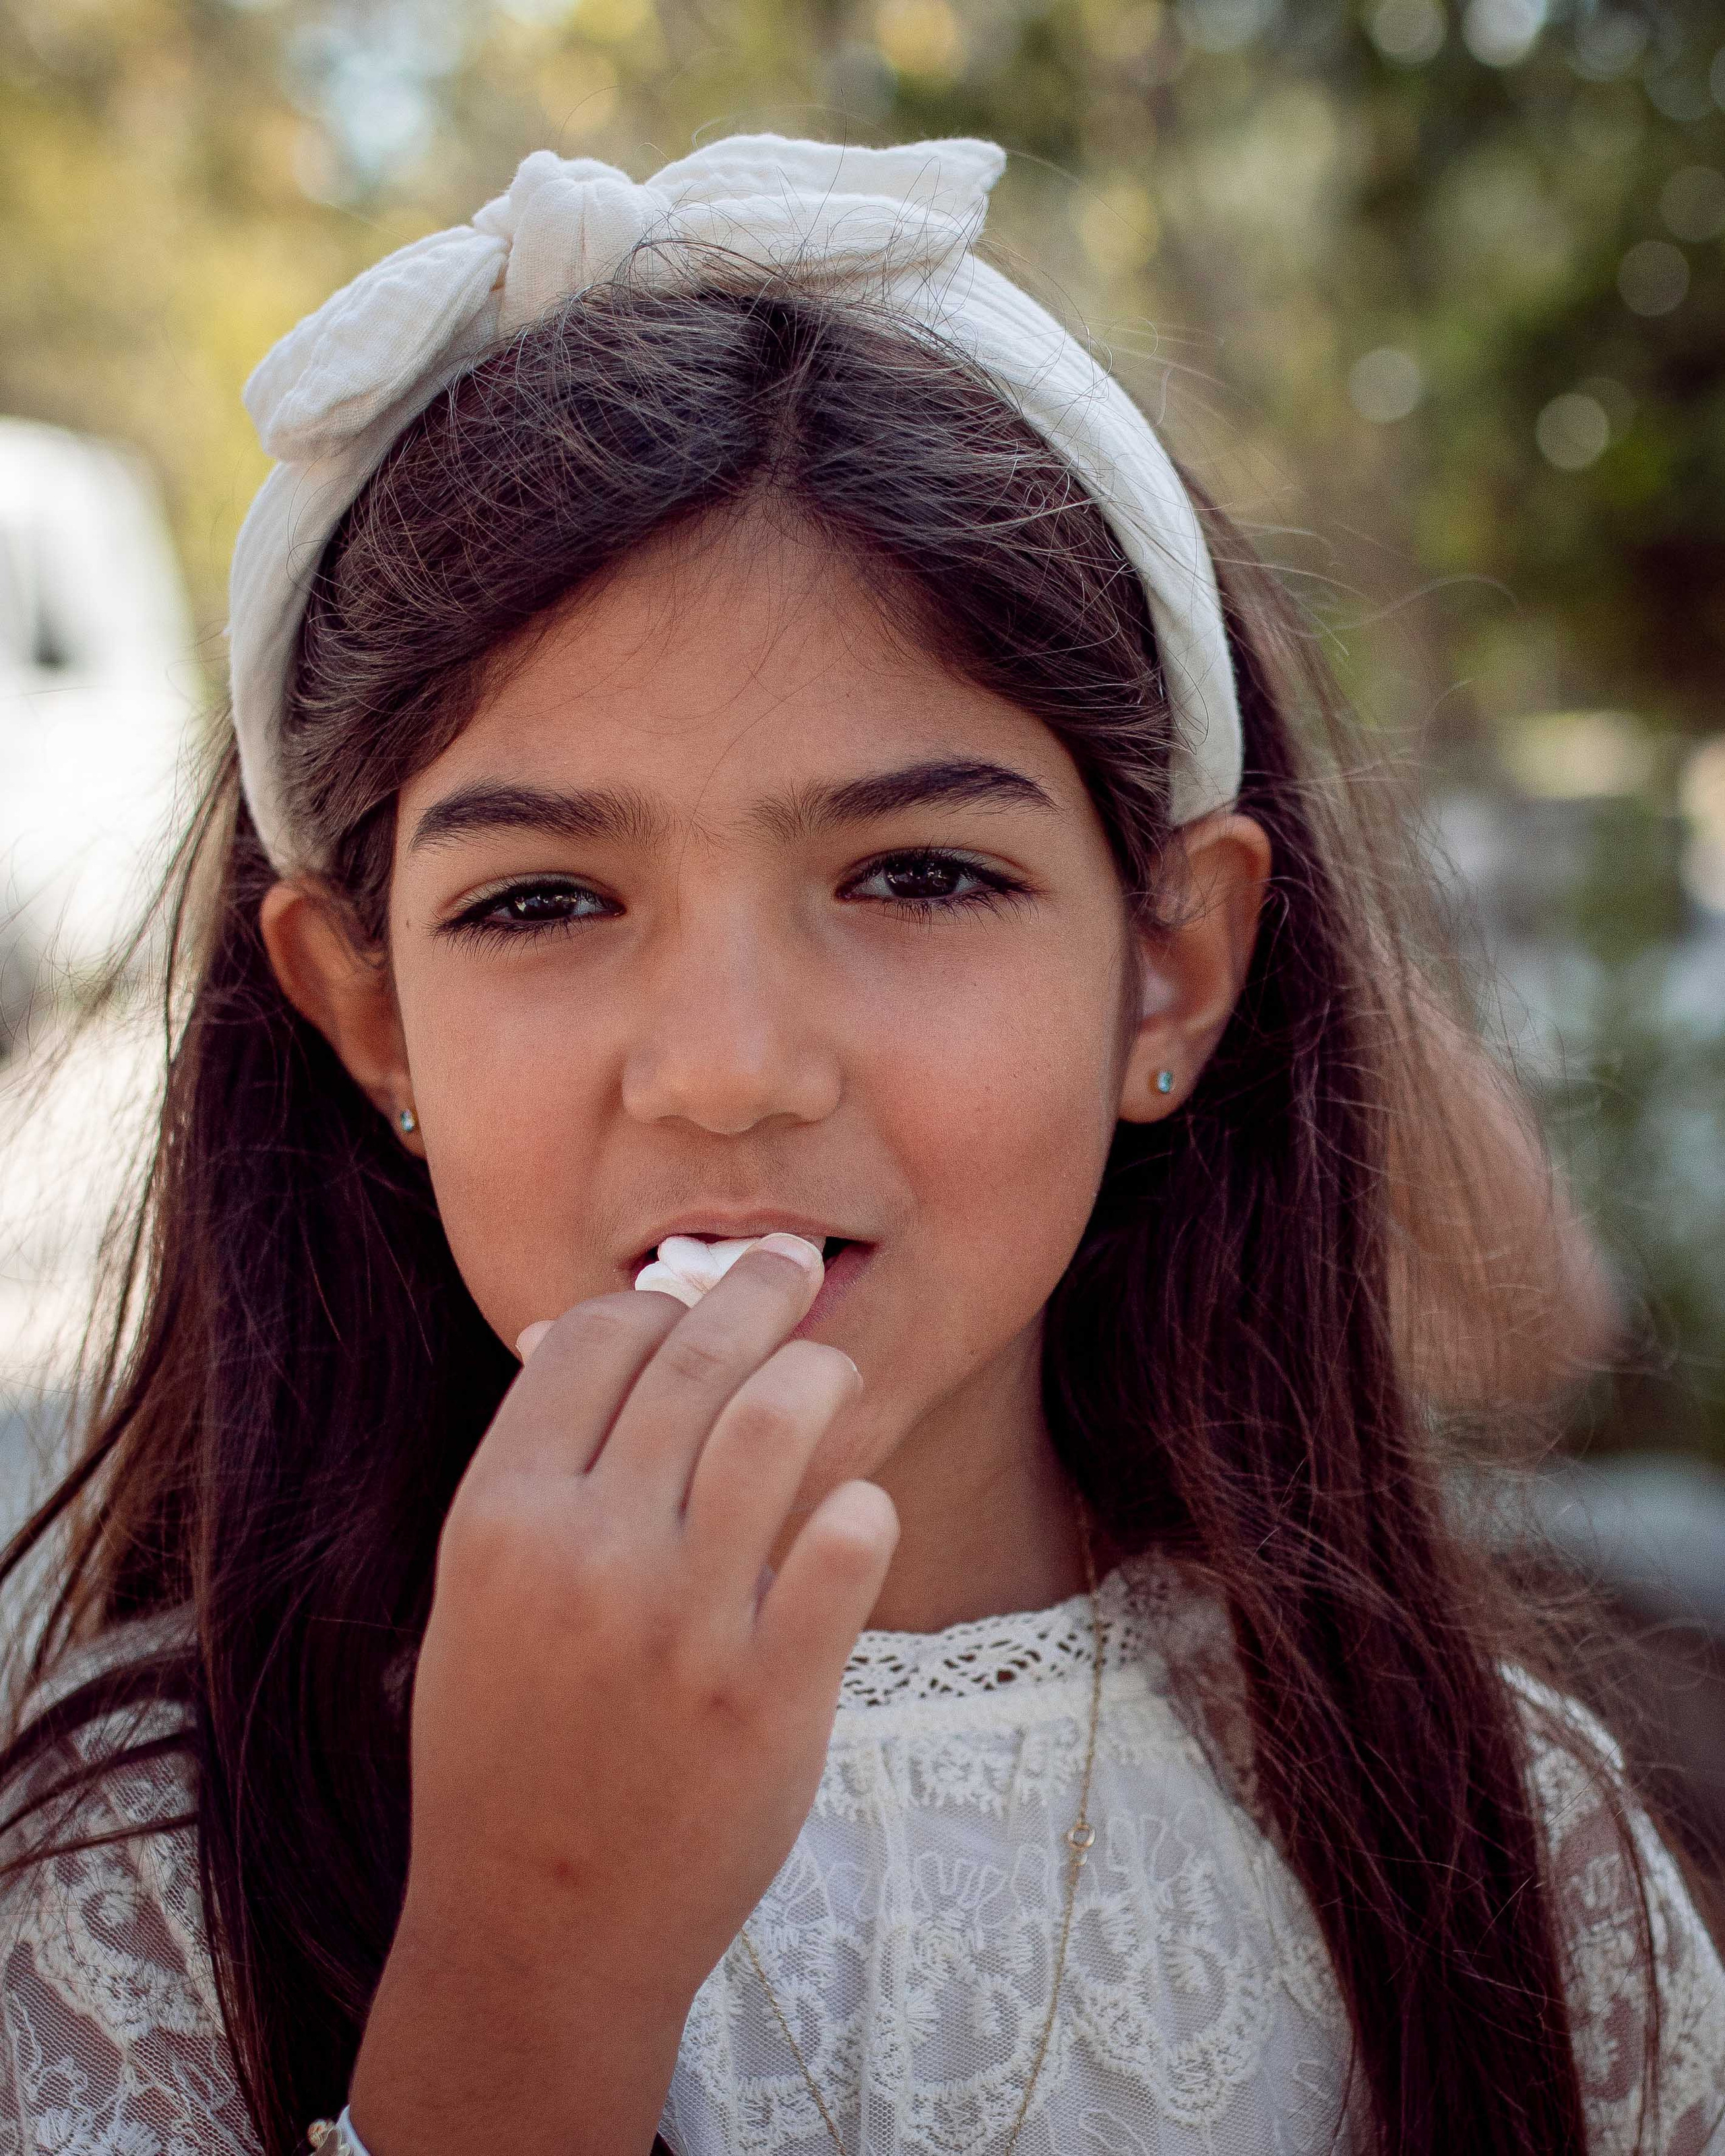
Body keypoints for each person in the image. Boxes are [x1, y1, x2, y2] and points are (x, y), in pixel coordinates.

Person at [0, 134, 1715, 2156]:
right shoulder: (128, 1888)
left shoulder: (1510, 1850)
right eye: (541, 900)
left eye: (917, 872)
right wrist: (525, 1975)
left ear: (1171, 970)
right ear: (367, 1009)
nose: (728, 1072)